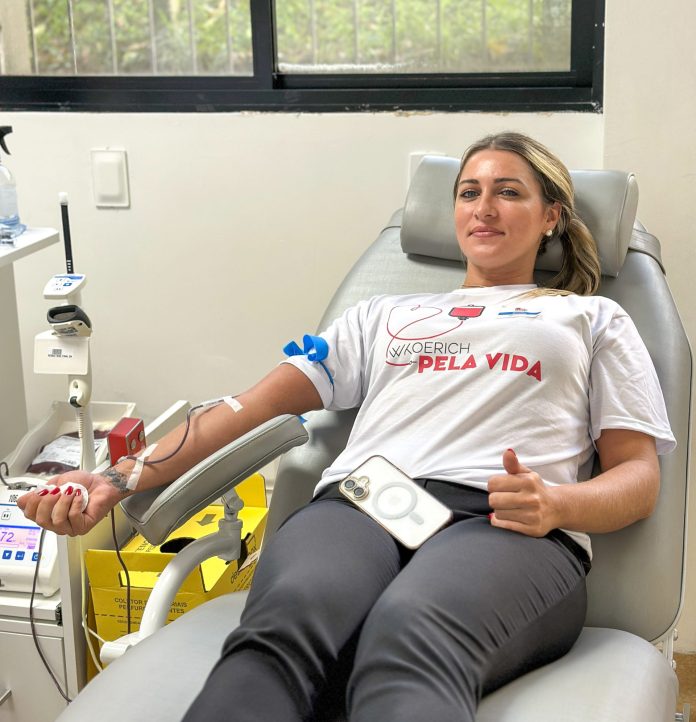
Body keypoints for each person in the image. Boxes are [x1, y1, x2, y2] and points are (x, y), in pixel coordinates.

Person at [20, 132, 675, 722]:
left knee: (413, 634)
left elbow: (638, 477)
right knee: (281, 630)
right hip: (364, 502)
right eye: (469, 192)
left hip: (506, 523)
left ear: (551, 215)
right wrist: (115, 479)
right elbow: (248, 407)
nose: (484, 207)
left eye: (509, 191)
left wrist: (557, 503)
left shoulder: (591, 319)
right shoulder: (383, 314)